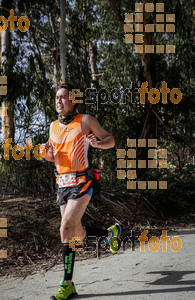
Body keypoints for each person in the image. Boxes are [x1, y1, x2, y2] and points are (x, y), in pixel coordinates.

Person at [43, 84, 122, 300]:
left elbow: (110, 140)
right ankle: (109, 234)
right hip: (62, 185)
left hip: (82, 182)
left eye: (64, 97)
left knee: (65, 228)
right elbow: (56, 156)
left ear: (74, 100)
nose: (59, 101)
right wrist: (46, 153)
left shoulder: (85, 120)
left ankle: (67, 283)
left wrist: (98, 143)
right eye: (57, 97)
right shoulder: (52, 126)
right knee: (76, 233)